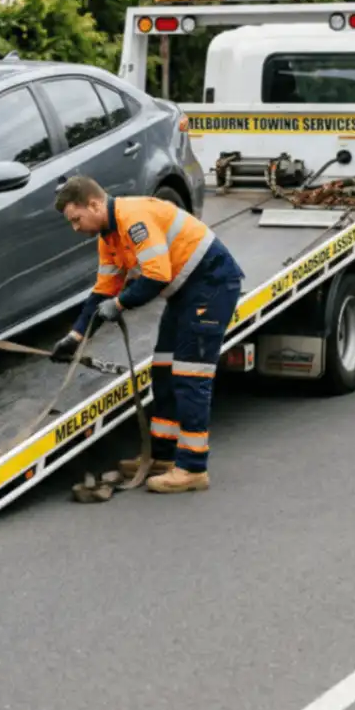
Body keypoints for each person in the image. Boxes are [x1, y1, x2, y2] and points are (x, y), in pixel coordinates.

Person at [50, 176, 244, 494]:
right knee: (163, 372)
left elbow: (156, 275)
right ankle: (164, 458)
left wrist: (121, 303)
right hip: (184, 293)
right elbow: (102, 292)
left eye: (76, 219)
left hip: (211, 285)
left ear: (94, 204)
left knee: (190, 376)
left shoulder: (133, 219)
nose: (75, 228)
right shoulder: (108, 237)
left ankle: (193, 469)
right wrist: (76, 337)